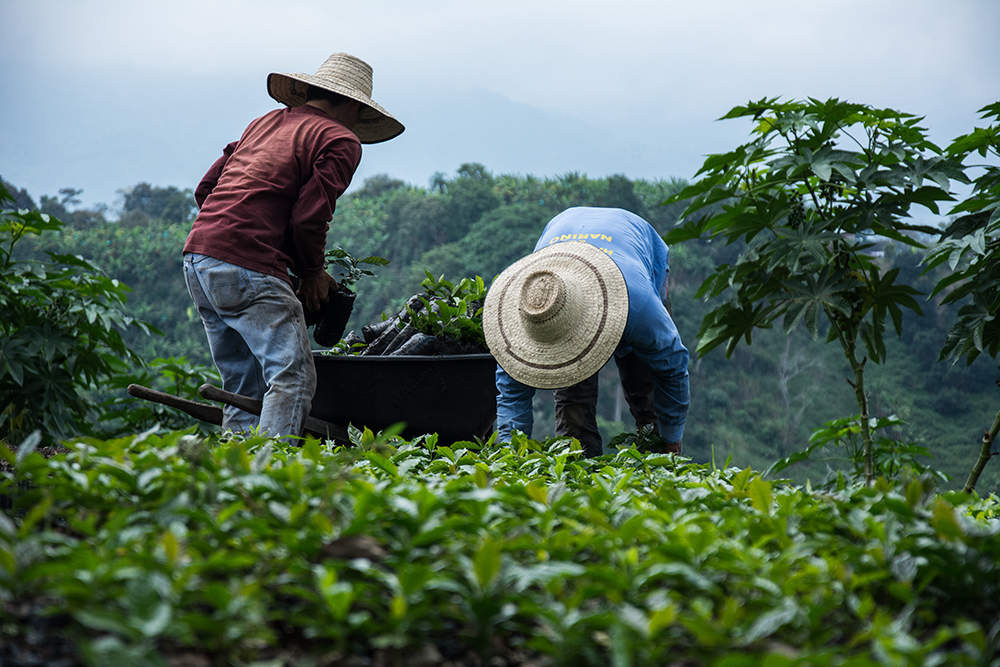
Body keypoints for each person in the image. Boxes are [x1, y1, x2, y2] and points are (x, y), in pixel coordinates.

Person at [182, 53, 403, 440]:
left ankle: (235, 470)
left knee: (242, 378)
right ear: (353, 105)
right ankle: (273, 475)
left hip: (199, 256)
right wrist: (312, 274)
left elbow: (206, 190)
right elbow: (309, 218)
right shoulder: (340, 139)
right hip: (246, 264)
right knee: (293, 376)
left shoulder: (264, 123)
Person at [483, 206, 690, 457]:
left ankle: (659, 467)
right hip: (564, 229)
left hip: (632, 258)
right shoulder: (531, 305)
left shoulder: (639, 306)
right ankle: (579, 475)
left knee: (647, 396)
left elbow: (672, 366)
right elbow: (511, 394)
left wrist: (672, 438)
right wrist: (510, 455)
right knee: (573, 412)